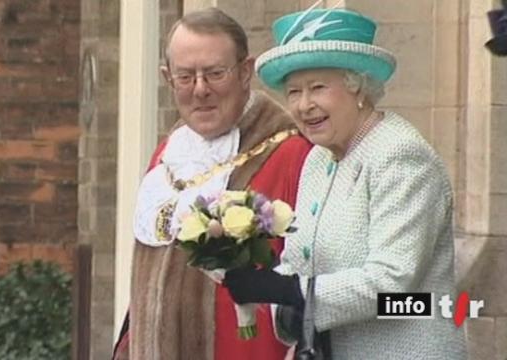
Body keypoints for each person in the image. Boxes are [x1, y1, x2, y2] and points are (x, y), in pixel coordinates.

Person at [222, 6, 468, 359]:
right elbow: (299, 261)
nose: (304, 105)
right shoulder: (319, 158)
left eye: (318, 87)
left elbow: (392, 285)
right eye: (293, 91)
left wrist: (292, 291)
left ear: (359, 87)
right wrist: (266, 282)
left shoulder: (400, 156)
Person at [113, 7, 313, 360]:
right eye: (186, 77)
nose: (200, 90)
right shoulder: (169, 152)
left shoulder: (292, 154)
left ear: (245, 72)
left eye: (215, 74)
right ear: (167, 78)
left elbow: (311, 285)